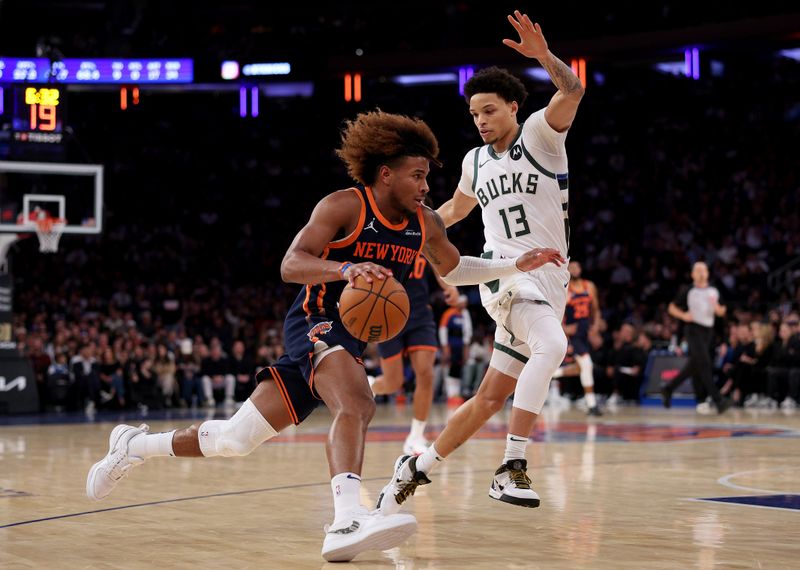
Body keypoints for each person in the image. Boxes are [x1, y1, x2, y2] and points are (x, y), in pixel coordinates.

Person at [85, 109, 564, 563]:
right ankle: (347, 521)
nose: (425, 186)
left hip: (349, 339)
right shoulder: (344, 206)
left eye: (426, 176)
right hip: (314, 319)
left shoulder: (425, 223)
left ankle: (132, 445)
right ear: (385, 175)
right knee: (357, 403)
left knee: (234, 439)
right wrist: (345, 268)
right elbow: (291, 264)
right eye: (416, 175)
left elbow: (456, 268)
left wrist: (512, 264)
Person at [378, 10, 585, 515]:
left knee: (490, 397)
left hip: (549, 278)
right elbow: (452, 211)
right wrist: (413, 224)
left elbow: (573, 89)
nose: (481, 120)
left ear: (514, 107)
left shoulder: (540, 135)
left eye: (489, 110)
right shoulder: (473, 161)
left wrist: (543, 57)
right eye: (475, 115)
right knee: (553, 345)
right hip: (505, 276)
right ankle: (512, 466)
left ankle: (417, 467)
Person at [369, 249, 460, 455]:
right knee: (393, 382)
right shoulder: (382, 237)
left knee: (426, 373)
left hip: (420, 315)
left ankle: (416, 436)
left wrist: (450, 286)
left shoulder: (421, 234)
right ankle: (371, 384)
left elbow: (437, 263)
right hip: (387, 314)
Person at [661, 261, 732, 413]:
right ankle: (718, 400)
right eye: (698, 270)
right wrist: (684, 316)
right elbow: (671, 307)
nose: (701, 273)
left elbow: (722, 312)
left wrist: (717, 308)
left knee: (694, 366)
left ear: (707, 273)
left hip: (709, 331)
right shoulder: (688, 290)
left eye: (704, 270)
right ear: (692, 274)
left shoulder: (714, 290)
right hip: (693, 330)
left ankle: (668, 388)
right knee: (705, 364)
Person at [563, 260, 602, 415]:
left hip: (586, 330)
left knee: (581, 368)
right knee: (587, 364)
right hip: (574, 332)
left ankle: (551, 374)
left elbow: (596, 310)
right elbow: (556, 312)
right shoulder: (565, 288)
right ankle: (592, 405)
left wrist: (596, 327)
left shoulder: (589, 286)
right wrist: (564, 329)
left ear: (580, 268)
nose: (574, 269)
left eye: (576, 266)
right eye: (571, 267)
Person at [438, 293, 473, 406]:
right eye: (463, 303)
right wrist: (445, 348)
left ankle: (456, 393)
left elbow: (468, 332)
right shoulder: (449, 314)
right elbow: (443, 331)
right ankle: (449, 393)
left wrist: (466, 349)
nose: (464, 305)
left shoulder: (465, 314)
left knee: (458, 368)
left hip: (460, 346)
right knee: (450, 368)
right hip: (451, 345)